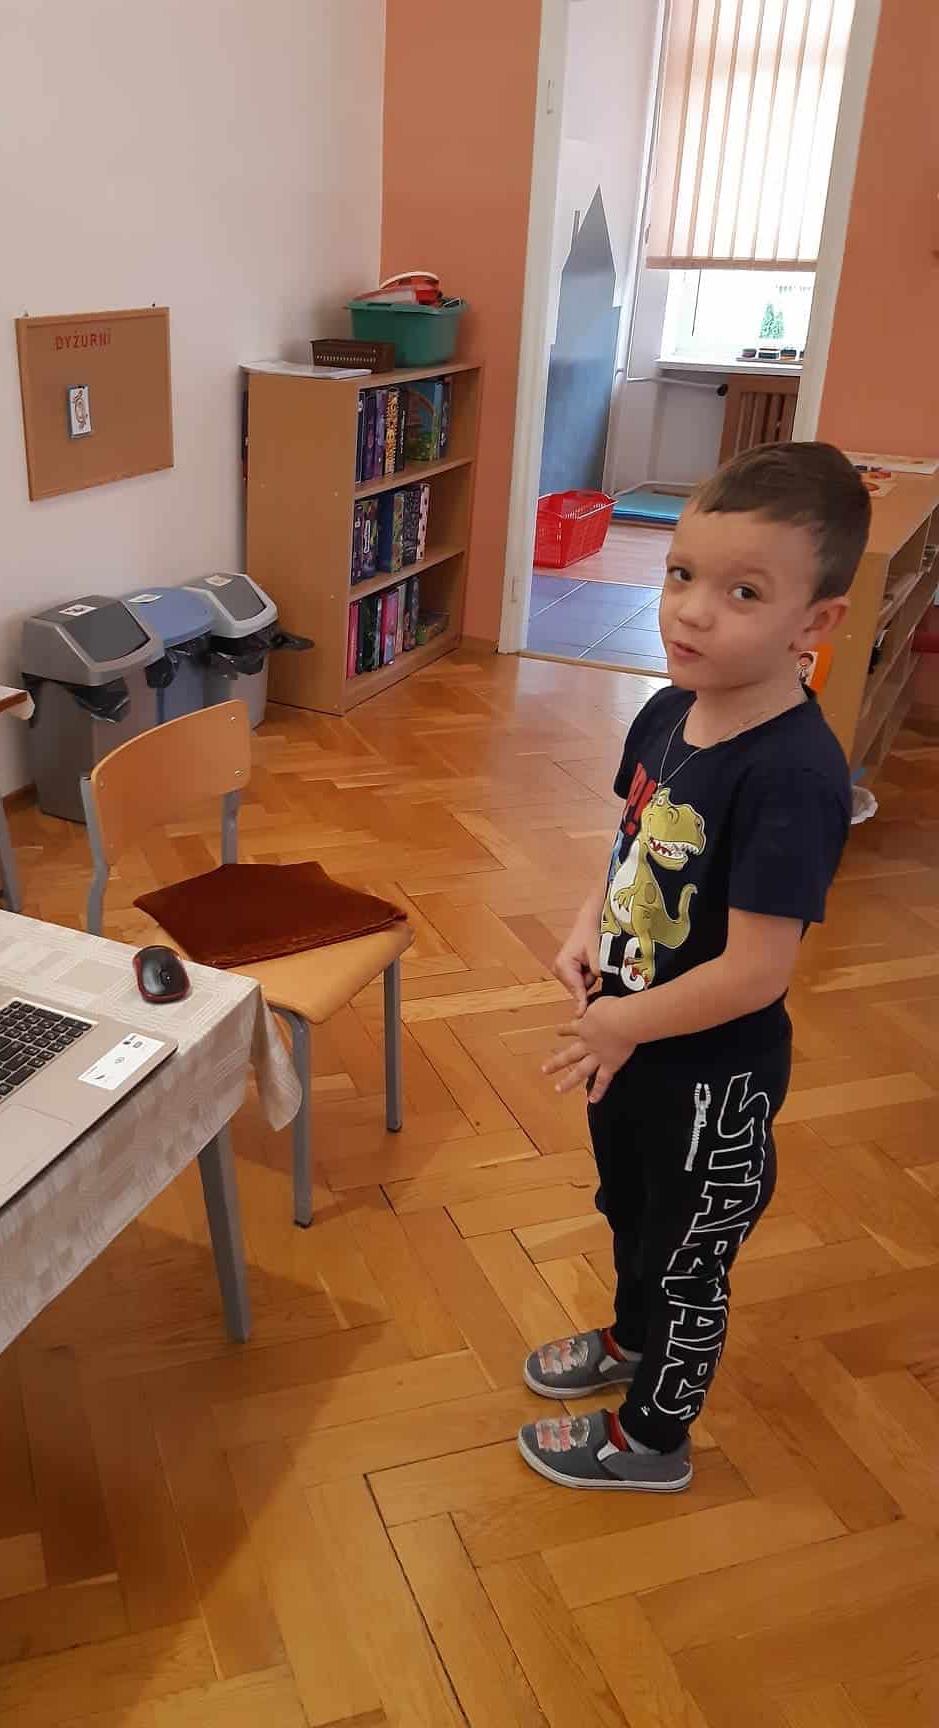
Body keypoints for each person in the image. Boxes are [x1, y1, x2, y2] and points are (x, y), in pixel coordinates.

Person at [517, 442, 869, 1493]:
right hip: (631, 1045)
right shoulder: (668, 709)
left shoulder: (794, 776)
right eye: (682, 575)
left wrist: (620, 1025)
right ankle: (632, 1339)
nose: (693, 612)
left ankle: (653, 1441)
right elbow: (631, 845)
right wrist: (588, 923)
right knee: (630, 1212)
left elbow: (759, 972)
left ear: (815, 623)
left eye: (743, 592)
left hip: (712, 1079)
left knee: (688, 1264)